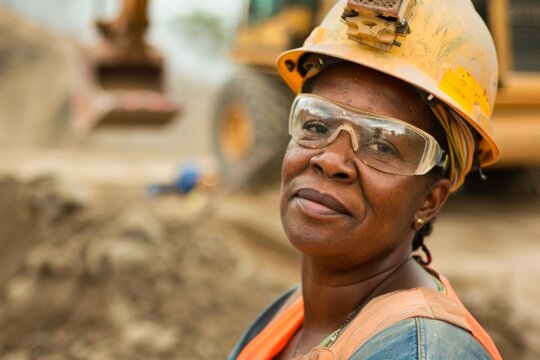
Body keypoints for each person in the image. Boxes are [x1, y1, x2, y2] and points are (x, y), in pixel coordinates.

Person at [229, 0, 503, 358]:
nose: (331, 160)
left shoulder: (425, 351)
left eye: (383, 145)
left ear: (430, 199)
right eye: (316, 124)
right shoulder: (288, 313)